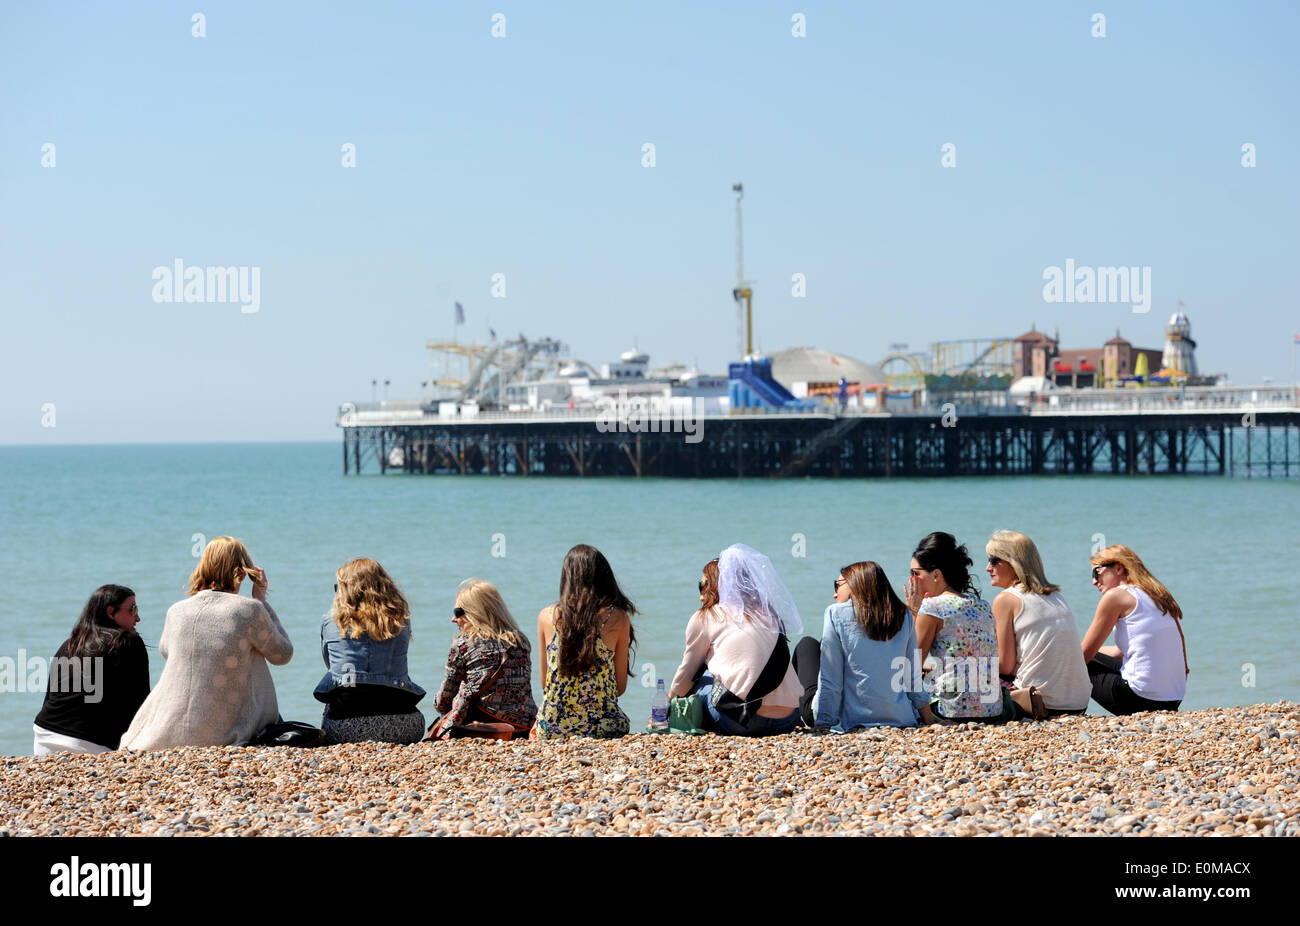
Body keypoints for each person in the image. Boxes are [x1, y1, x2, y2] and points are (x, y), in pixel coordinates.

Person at [121, 537, 293, 749]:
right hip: (223, 733)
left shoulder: (176, 611)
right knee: (251, 652)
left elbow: (167, 652)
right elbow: (283, 654)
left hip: (168, 732)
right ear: (240, 574)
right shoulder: (248, 609)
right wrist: (261, 601)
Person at [669, 547, 803, 736]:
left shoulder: (706, 616)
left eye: (702, 585)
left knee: (705, 674)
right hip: (787, 719)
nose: (700, 595)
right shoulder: (770, 613)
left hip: (740, 722)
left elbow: (686, 674)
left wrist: (666, 707)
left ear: (715, 584)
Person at [793, 562, 936, 731]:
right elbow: (912, 677)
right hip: (900, 718)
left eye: (838, 585)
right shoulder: (904, 615)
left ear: (855, 585)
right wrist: (929, 719)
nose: (835, 593)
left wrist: (823, 722)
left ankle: (788, 716)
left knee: (807, 645)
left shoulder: (835, 613)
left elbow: (831, 677)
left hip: (851, 719)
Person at [314, 558, 427, 744]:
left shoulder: (330, 621)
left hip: (345, 728)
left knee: (338, 686)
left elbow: (333, 666)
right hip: (406, 724)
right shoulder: (401, 619)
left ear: (347, 592)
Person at [33, 585, 151, 754]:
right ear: (111, 612)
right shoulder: (127, 642)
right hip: (87, 744)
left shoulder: (70, 643)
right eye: (133, 609)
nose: (138, 618)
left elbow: (50, 697)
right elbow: (140, 703)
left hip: (43, 737)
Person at [533, 544, 636, 739]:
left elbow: (545, 684)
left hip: (553, 727)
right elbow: (619, 688)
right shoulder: (618, 618)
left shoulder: (546, 616)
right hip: (602, 727)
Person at [985, 530, 1091, 717]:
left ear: (1014, 563)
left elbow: (1005, 667)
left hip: (1037, 703)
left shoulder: (1006, 599)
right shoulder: (1056, 596)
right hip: (1078, 703)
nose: (988, 568)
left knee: (968, 672)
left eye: (994, 560)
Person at [904, 531, 1007, 722]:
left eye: (915, 573)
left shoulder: (932, 607)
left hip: (952, 711)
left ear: (936, 575)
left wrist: (912, 612)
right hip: (992, 710)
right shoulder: (982, 605)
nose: (912, 580)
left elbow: (911, 663)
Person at [1081, 545, 1187, 715]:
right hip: (1173, 699)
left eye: (1097, 572)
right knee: (1078, 656)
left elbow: (1083, 656)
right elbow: (1118, 652)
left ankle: (1059, 710)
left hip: (1139, 699)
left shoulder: (1115, 596)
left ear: (1118, 568)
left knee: (1072, 661)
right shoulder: (1156, 595)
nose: (1094, 581)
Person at [427, 578, 537, 740]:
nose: (453, 619)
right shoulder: (520, 641)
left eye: (458, 612)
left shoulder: (463, 643)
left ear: (475, 613)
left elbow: (444, 701)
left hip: (478, 728)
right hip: (521, 728)